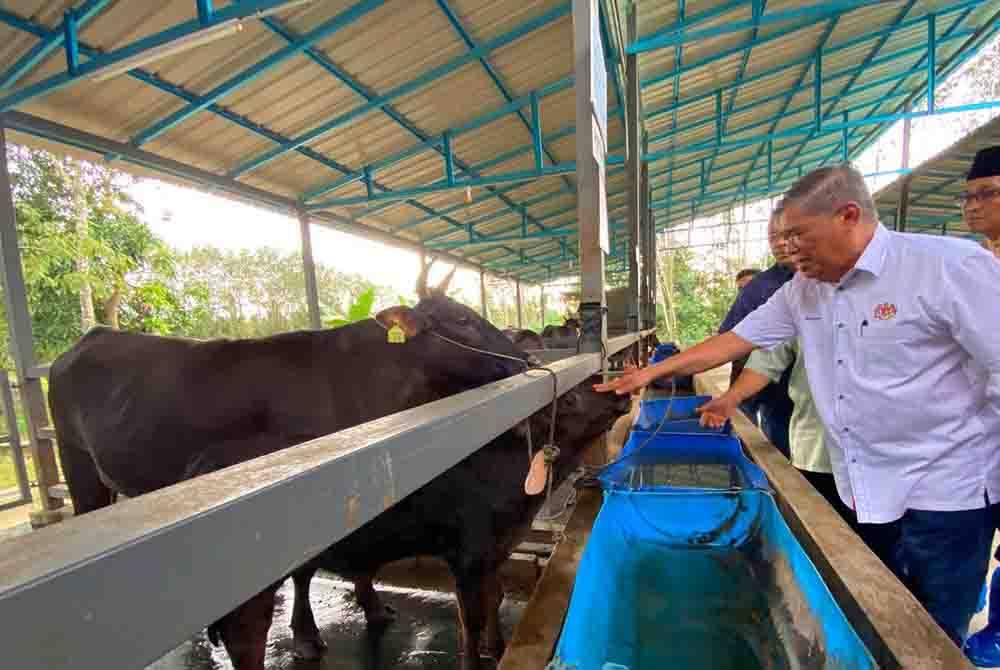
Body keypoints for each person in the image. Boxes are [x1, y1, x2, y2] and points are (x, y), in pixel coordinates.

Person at [595, 163, 1000, 647]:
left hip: (946, 490)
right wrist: (648, 374)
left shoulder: (947, 267)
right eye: (781, 239)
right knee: (873, 612)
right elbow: (734, 339)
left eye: (796, 236)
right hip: (865, 485)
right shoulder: (805, 289)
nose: (786, 249)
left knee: (932, 630)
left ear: (848, 215)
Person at [698, 338, 856, 529]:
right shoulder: (796, 309)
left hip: (886, 459)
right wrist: (732, 398)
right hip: (817, 448)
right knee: (821, 527)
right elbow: (758, 357)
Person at [959, 145, 1000, 664]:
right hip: (976, 426)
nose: (972, 205)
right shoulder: (971, 264)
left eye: (987, 193)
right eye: (967, 197)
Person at [717, 211, 795, 458]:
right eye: (774, 237)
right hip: (764, 384)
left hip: (804, 393)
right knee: (762, 440)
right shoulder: (760, 287)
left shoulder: (821, 280)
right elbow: (727, 340)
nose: (780, 243)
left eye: (789, 235)